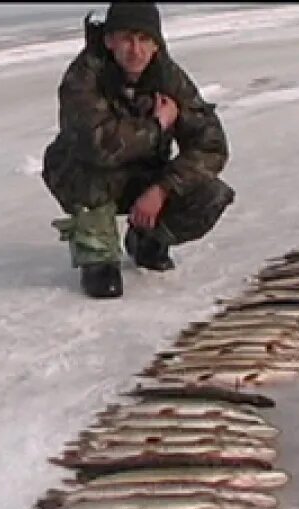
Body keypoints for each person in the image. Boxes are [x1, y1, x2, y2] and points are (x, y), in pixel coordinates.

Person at [42, 1, 235, 299]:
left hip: (143, 172)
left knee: (210, 193)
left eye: (145, 39)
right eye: (127, 39)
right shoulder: (83, 77)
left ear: (157, 44)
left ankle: (147, 239)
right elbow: (98, 146)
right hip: (86, 176)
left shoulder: (169, 78)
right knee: (88, 175)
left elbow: (211, 145)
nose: (136, 50)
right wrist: (156, 126)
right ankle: (97, 255)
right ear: (109, 41)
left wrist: (162, 189)